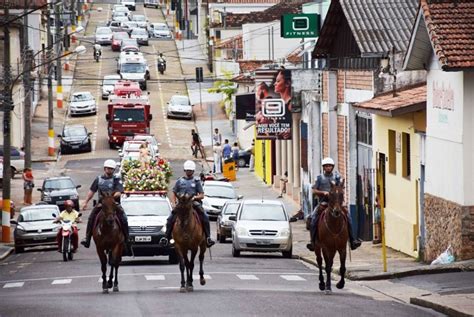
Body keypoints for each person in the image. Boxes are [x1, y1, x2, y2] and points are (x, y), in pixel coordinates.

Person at [306, 157, 362, 251]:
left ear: (332, 167)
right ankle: (313, 241)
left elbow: (340, 187)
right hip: (324, 202)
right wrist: (323, 192)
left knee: (348, 216)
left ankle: (352, 240)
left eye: (330, 166)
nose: (328, 168)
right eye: (326, 166)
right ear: (323, 167)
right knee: (313, 218)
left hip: (336, 203)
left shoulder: (336, 177)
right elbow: (314, 190)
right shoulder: (319, 178)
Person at [160, 160, 215, 247]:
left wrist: (194, 197)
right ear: (185, 171)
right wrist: (174, 203)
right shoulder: (179, 181)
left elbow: (202, 195)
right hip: (181, 204)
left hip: (193, 203)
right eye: (187, 170)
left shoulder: (196, 181)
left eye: (190, 171)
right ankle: (166, 238)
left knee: (205, 217)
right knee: (170, 218)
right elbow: (174, 192)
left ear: (193, 171)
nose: (189, 172)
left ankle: (208, 238)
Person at [80, 159, 129, 250]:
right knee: (91, 217)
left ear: (114, 170)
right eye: (107, 168)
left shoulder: (116, 179)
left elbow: (119, 192)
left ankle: (126, 239)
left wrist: (112, 198)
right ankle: (87, 238)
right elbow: (92, 191)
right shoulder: (98, 179)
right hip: (101, 204)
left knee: (123, 217)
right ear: (104, 168)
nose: (109, 170)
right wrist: (86, 202)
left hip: (114, 204)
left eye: (111, 169)